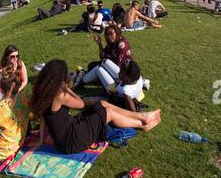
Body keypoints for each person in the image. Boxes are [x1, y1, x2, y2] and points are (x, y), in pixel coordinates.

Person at [30, 60, 161, 154]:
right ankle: (141, 123)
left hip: (70, 132)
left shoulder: (43, 92)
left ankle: (141, 118)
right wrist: (68, 90)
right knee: (107, 112)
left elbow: (44, 118)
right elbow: (80, 103)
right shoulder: (59, 95)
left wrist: (41, 140)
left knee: (103, 104)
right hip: (72, 141)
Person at [81, 25, 132, 90]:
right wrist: (99, 44)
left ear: (117, 33)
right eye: (107, 34)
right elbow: (103, 56)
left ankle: (79, 81)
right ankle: (80, 81)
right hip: (116, 79)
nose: (109, 37)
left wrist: (105, 68)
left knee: (100, 66)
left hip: (122, 73)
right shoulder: (112, 43)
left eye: (111, 34)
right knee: (93, 66)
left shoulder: (121, 44)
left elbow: (118, 65)